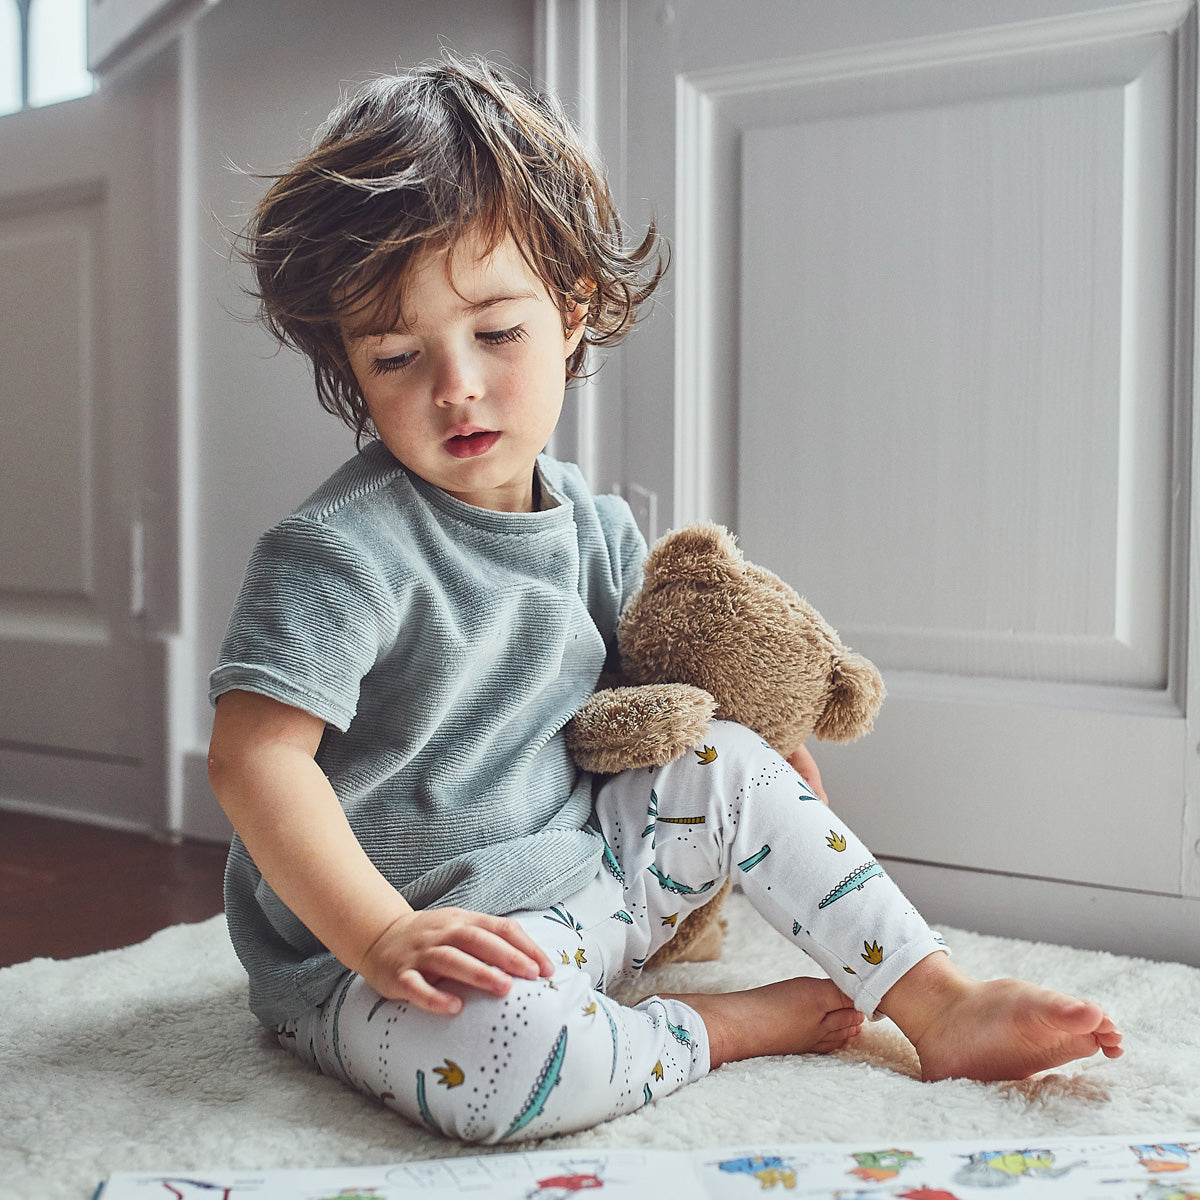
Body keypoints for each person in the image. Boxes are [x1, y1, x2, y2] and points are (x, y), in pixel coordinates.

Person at [206, 53, 1122, 1145]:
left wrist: (759, 778)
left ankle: (940, 1003)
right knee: (508, 1064)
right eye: (399, 356)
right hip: (401, 960)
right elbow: (252, 760)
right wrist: (379, 937)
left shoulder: (593, 522)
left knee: (729, 757)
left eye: (496, 333)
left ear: (574, 307)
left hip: (588, 889)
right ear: (352, 365)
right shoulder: (335, 552)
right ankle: (714, 1030)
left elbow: (646, 708)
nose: (455, 385)